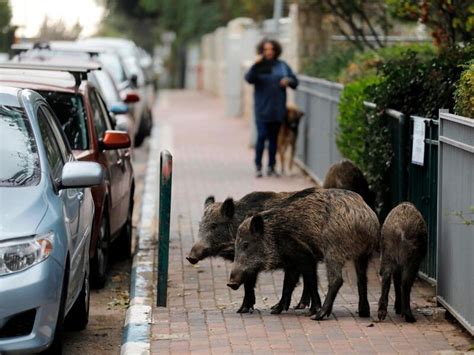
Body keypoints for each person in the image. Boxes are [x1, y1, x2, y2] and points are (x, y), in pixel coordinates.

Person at [245, 38, 298, 177]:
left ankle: (271, 166)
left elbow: (295, 82)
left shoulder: (282, 66)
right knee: (261, 136)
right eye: (266, 49)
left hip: (277, 109)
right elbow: (249, 79)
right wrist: (255, 65)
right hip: (261, 109)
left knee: (274, 139)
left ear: (276, 50)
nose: (269, 52)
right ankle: (258, 165)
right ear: (261, 51)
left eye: (271, 49)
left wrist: (288, 81)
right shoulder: (259, 66)